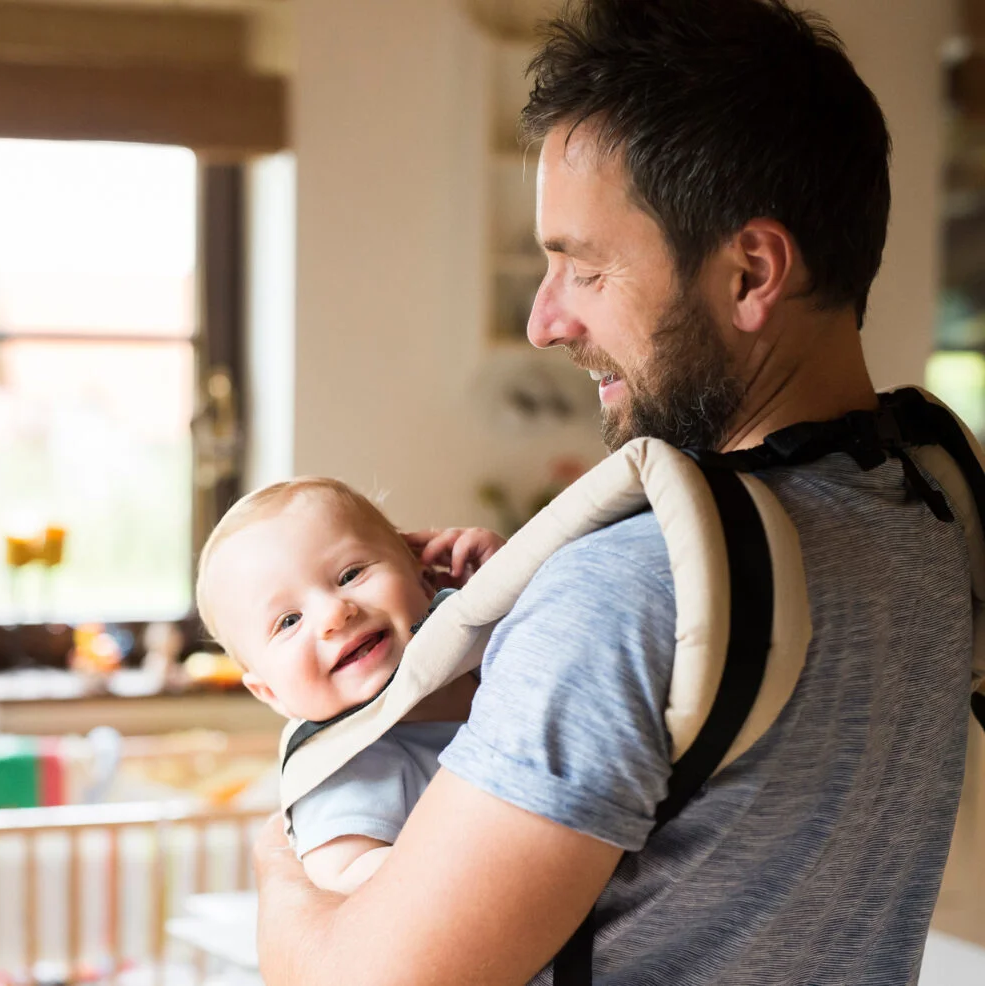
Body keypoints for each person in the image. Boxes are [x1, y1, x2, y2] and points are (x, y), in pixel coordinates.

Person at [251, 1, 974, 983]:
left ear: (751, 270)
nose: (546, 320)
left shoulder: (625, 590)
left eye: (582, 267)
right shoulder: (931, 515)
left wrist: (281, 857)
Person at [195, 477, 502, 893]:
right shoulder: (344, 765)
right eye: (288, 621)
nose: (334, 614)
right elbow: (347, 876)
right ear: (270, 693)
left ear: (425, 578)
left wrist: (505, 578)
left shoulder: (486, 642)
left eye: (350, 574)